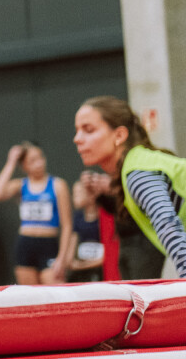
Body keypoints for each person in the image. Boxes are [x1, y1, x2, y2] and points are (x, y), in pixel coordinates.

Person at [72, 95, 186, 278]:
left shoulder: (138, 172)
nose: (77, 139)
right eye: (77, 131)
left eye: (89, 130)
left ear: (119, 136)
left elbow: (168, 224)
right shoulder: (133, 168)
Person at [0, 141, 73, 285]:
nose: (39, 163)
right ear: (24, 166)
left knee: (54, 292)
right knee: (30, 295)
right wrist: (11, 163)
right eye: (33, 160)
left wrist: (62, 258)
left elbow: (67, 225)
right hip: (26, 245)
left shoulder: (58, 185)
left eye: (41, 157)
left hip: (48, 245)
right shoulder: (21, 185)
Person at [66, 173, 105, 283]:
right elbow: (70, 254)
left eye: (80, 193)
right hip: (81, 273)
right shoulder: (78, 218)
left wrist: (83, 265)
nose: (75, 198)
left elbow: (108, 255)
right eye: (74, 194)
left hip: (99, 272)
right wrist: (72, 263)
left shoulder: (104, 218)